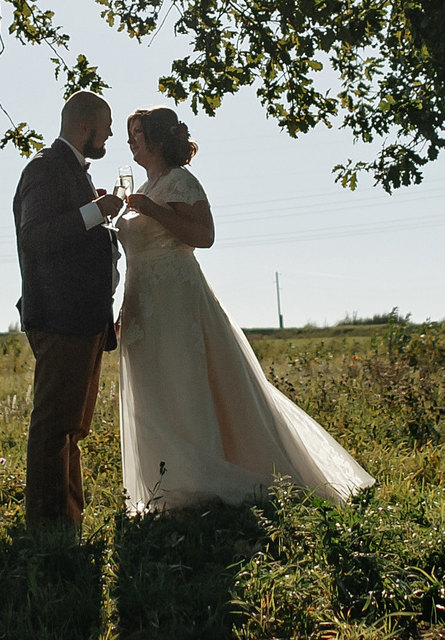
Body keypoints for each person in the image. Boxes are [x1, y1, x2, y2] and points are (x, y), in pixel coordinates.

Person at [113, 107, 374, 512]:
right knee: (154, 392)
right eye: (130, 134)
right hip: (142, 302)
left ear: (158, 139)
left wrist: (152, 209)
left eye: (138, 133)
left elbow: (204, 236)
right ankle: (169, 485)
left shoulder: (180, 181)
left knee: (186, 384)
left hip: (178, 302)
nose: (130, 141)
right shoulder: (145, 187)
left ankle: (203, 481)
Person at [14, 90, 124, 528]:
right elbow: (35, 238)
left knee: (71, 428)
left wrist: (94, 214)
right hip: (61, 318)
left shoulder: (71, 170)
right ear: (84, 127)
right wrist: (95, 212)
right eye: (106, 128)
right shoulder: (44, 168)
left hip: (84, 319)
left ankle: (69, 522)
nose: (109, 136)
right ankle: (48, 530)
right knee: (54, 426)